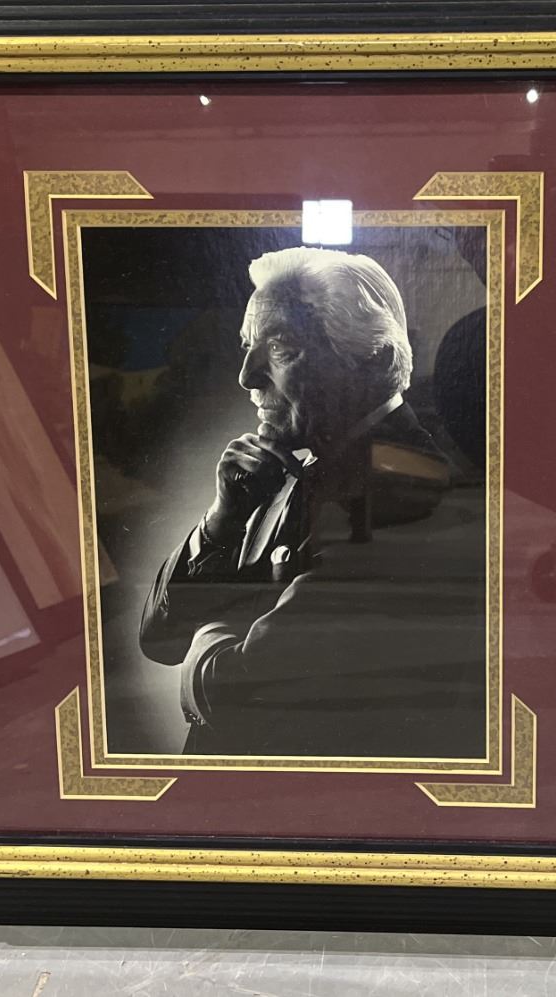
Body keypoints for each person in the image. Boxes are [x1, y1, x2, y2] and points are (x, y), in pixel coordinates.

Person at [138, 246, 485, 759]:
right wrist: (222, 521)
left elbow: (243, 692)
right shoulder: (292, 459)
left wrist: (206, 637)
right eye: (248, 346)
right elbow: (158, 639)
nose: (247, 375)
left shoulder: (404, 489)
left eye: (280, 348)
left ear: (373, 357)